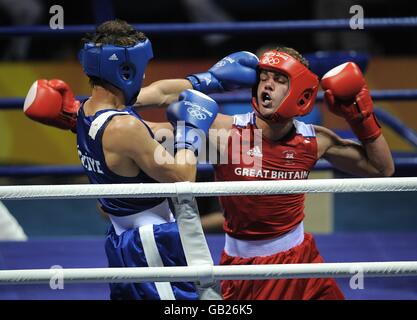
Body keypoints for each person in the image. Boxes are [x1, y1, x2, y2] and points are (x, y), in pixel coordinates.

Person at [23, 19, 222, 300]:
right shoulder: (124, 128)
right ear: (126, 70)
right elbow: (183, 177)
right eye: (141, 69)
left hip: (122, 237)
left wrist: (211, 82)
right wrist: (190, 132)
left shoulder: (83, 112)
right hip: (151, 241)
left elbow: (157, 107)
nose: (142, 77)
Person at [184, 46, 395, 299]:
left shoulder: (314, 140)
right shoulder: (224, 132)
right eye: (263, 78)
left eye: (279, 79)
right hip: (247, 270)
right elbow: (153, 130)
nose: (267, 85)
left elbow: (382, 169)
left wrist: (360, 117)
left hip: (303, 261)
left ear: (299, 91)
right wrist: (202, 84)